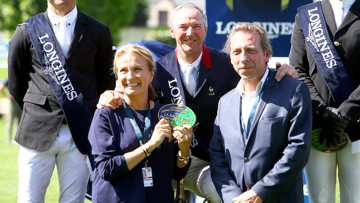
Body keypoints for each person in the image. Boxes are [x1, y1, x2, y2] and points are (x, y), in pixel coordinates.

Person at [97, 3, 298, 202]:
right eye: (183, 27)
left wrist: (281, 69)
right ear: (172, 31)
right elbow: (133, 97)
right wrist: (111, 94)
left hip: (216, 161)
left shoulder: (226, 63)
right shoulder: (158, 71)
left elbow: (256, 73)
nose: (189, 33)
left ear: (206, 30)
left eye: (196, 26)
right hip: (170, 161)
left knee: (231, 196)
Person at [7, 0, 116, 202]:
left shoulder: (99, 31)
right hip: (36, 130)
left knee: (74, 200)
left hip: (82, 132)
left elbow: (106, 82)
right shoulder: (26, 30)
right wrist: (37, 109)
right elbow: (16, 82)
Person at [209, 22, 312, 203]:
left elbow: (298, 149)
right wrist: (234, 198)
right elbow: (217, 156)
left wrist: (260, 192)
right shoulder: (225, 102)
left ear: (266, 55)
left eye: (251, 50)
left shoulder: (293, 90)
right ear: (231, 58)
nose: (243, 58)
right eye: (237, 52)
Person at [88, 44, 192, 203]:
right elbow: (106, 169)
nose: (130, 76)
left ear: (151, 74)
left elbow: (177, 174)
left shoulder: (166, 115)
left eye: (137, 69)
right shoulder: (106, 113)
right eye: (123, 70)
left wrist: (184, 151)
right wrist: (149, 146)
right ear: (117, 76)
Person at [289, 0, 360, 202]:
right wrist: (321, 110)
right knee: (318, 199)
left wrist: (348, 111)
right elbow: (298, 70)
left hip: (357, 126)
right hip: (318, 127)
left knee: (355, 198)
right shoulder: (307, 15)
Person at [0, 80, 22, 144]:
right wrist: (6, 95)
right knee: (10, 120)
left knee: (19, 121)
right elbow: (1, 87)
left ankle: (17, 139)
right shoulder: (9, 79)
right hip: (12, 102)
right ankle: (9, 139)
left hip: (19, 101)